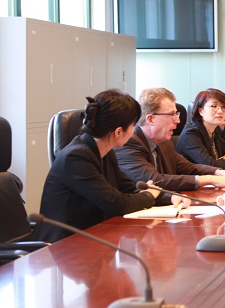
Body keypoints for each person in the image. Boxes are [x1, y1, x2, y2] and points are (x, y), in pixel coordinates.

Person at [35, 89, 183, 243]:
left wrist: (169, 197)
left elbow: (128, 188)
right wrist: (150, 195)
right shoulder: (76, 157)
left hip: (93, 236)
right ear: (118, 132)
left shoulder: (105, 152)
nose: (134, 131)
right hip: (63, 244)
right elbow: (116, 203)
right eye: (133, 125)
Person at [116, 87, 225, 192]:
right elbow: (154, 180)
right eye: (172, 114)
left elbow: (189, 167)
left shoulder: (164, 142)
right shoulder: (128, 143)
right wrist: (209, 179)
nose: (178, 120)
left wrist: (219, 173)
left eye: (177, 114)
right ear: (150, 119)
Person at [176, 88, 225, 169]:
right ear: (201, 111)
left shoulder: (214, 130)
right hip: (193, 177)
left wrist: (222, 161)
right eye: (214, 106)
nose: (220, 111)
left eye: (223, 107)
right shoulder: (191, 134)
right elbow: (209, 165)